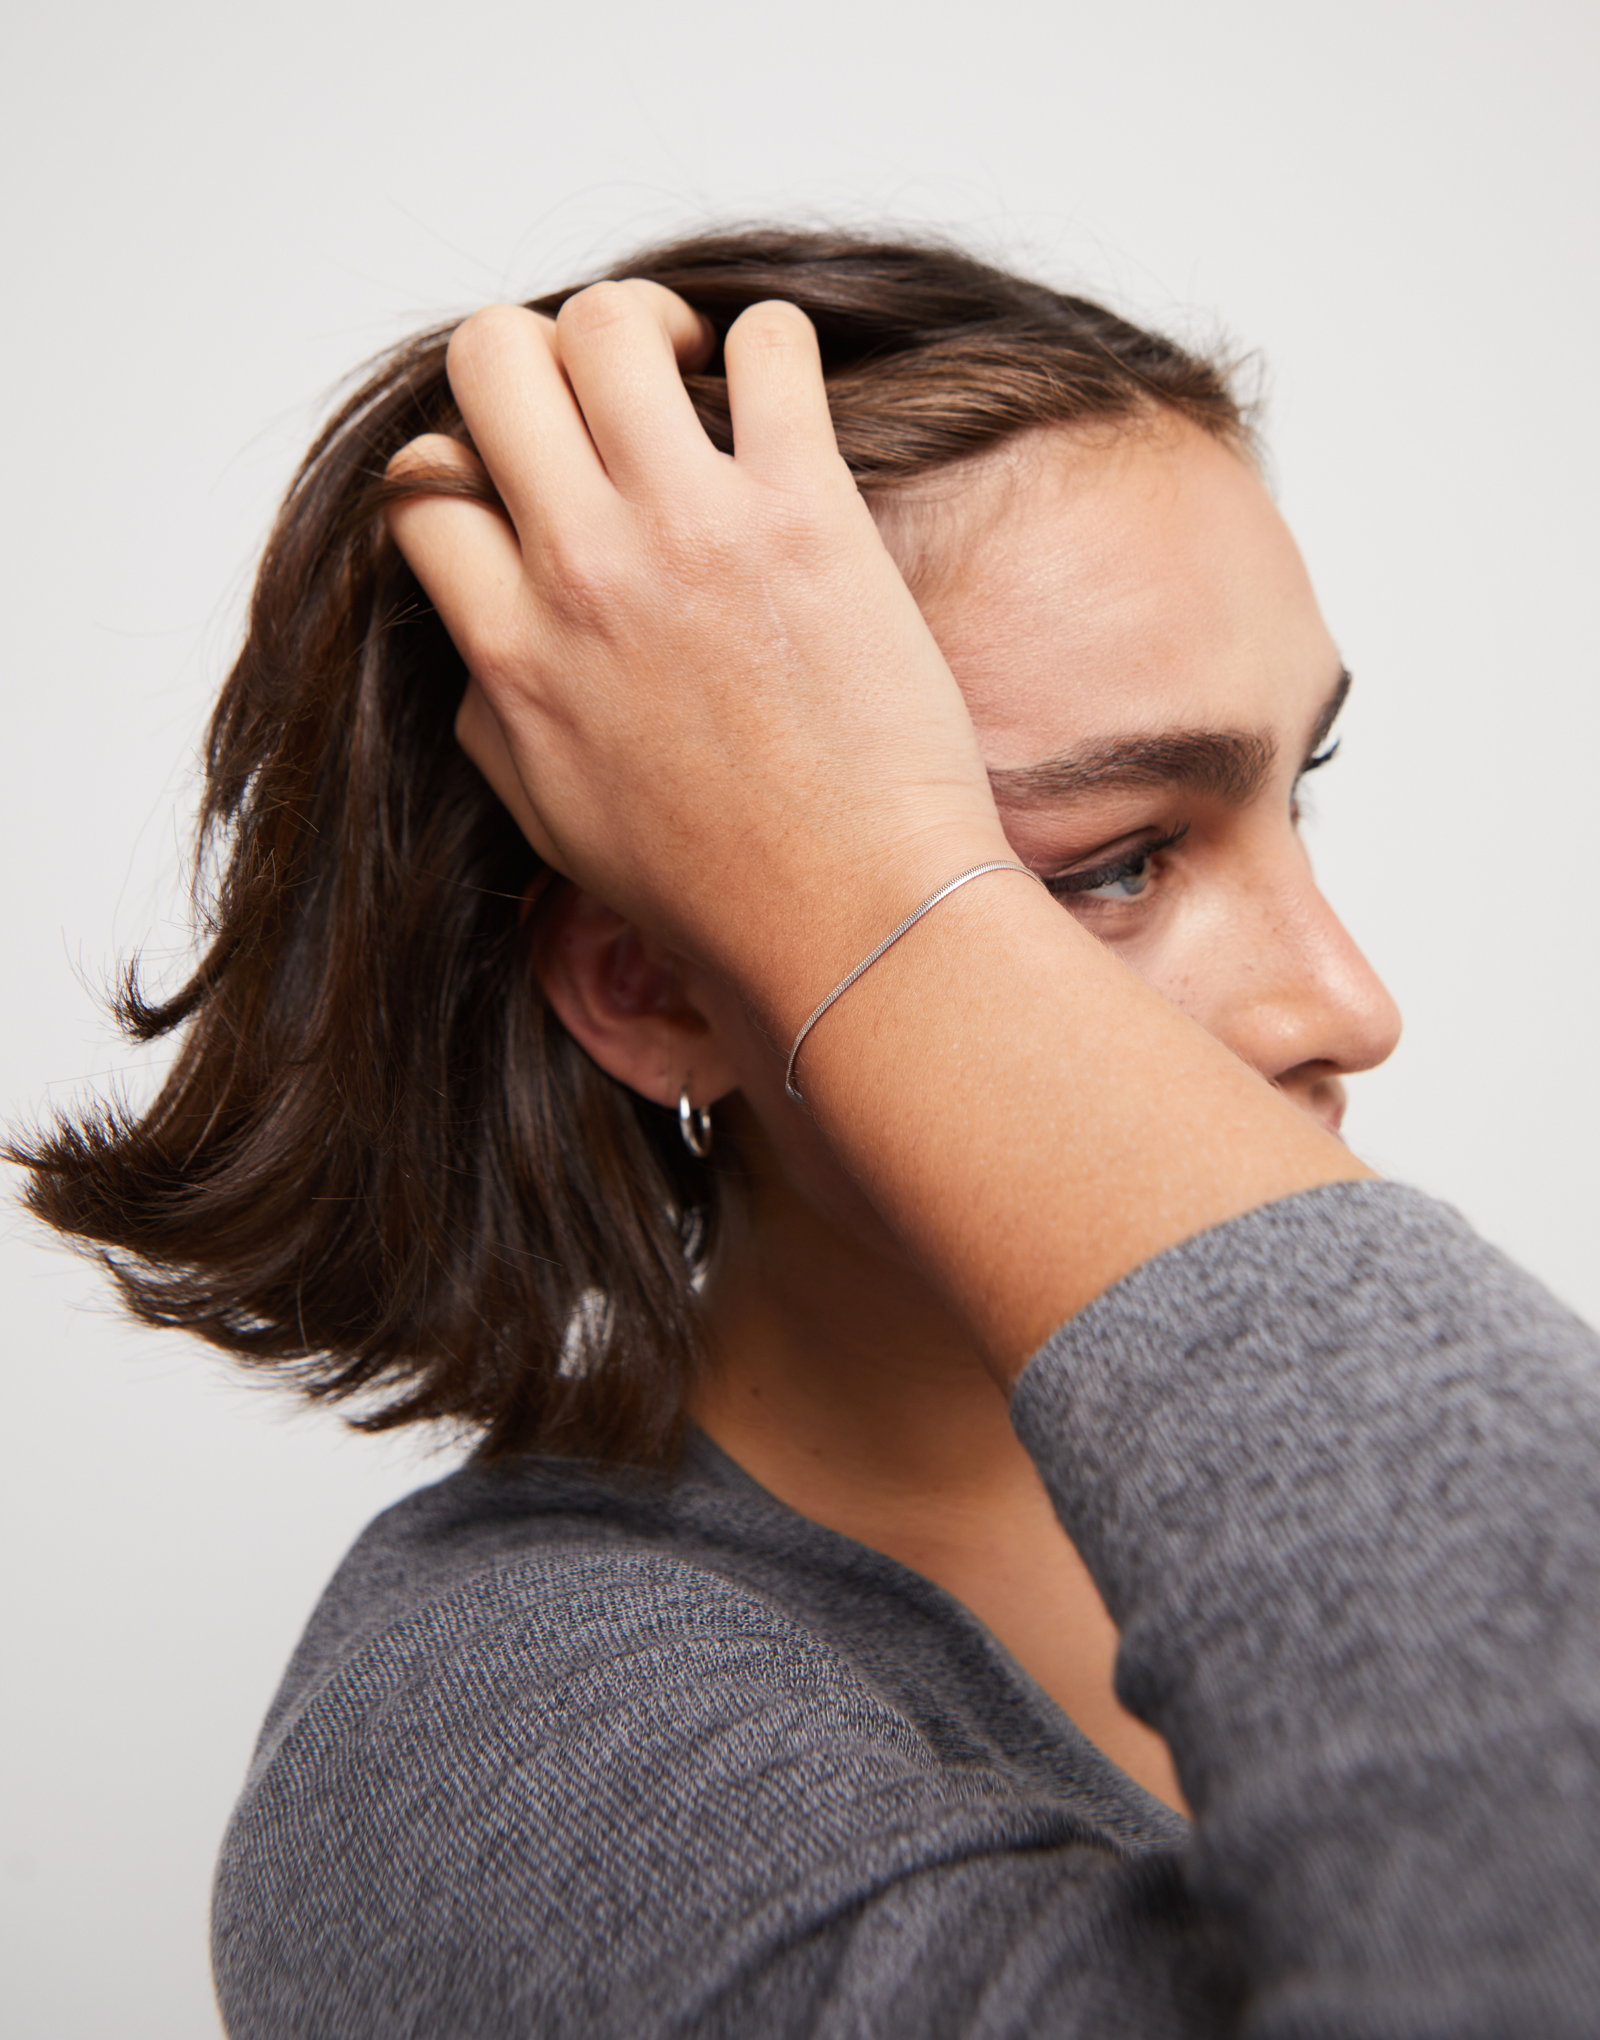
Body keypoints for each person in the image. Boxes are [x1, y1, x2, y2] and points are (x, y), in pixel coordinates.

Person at [14, 230, 1600, 2034]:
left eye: (1291, 794)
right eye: (1112, 863)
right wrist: (874, 909)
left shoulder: (1328, 1469)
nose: (1347, 1001)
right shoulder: (503, 1757)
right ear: (654, 984)